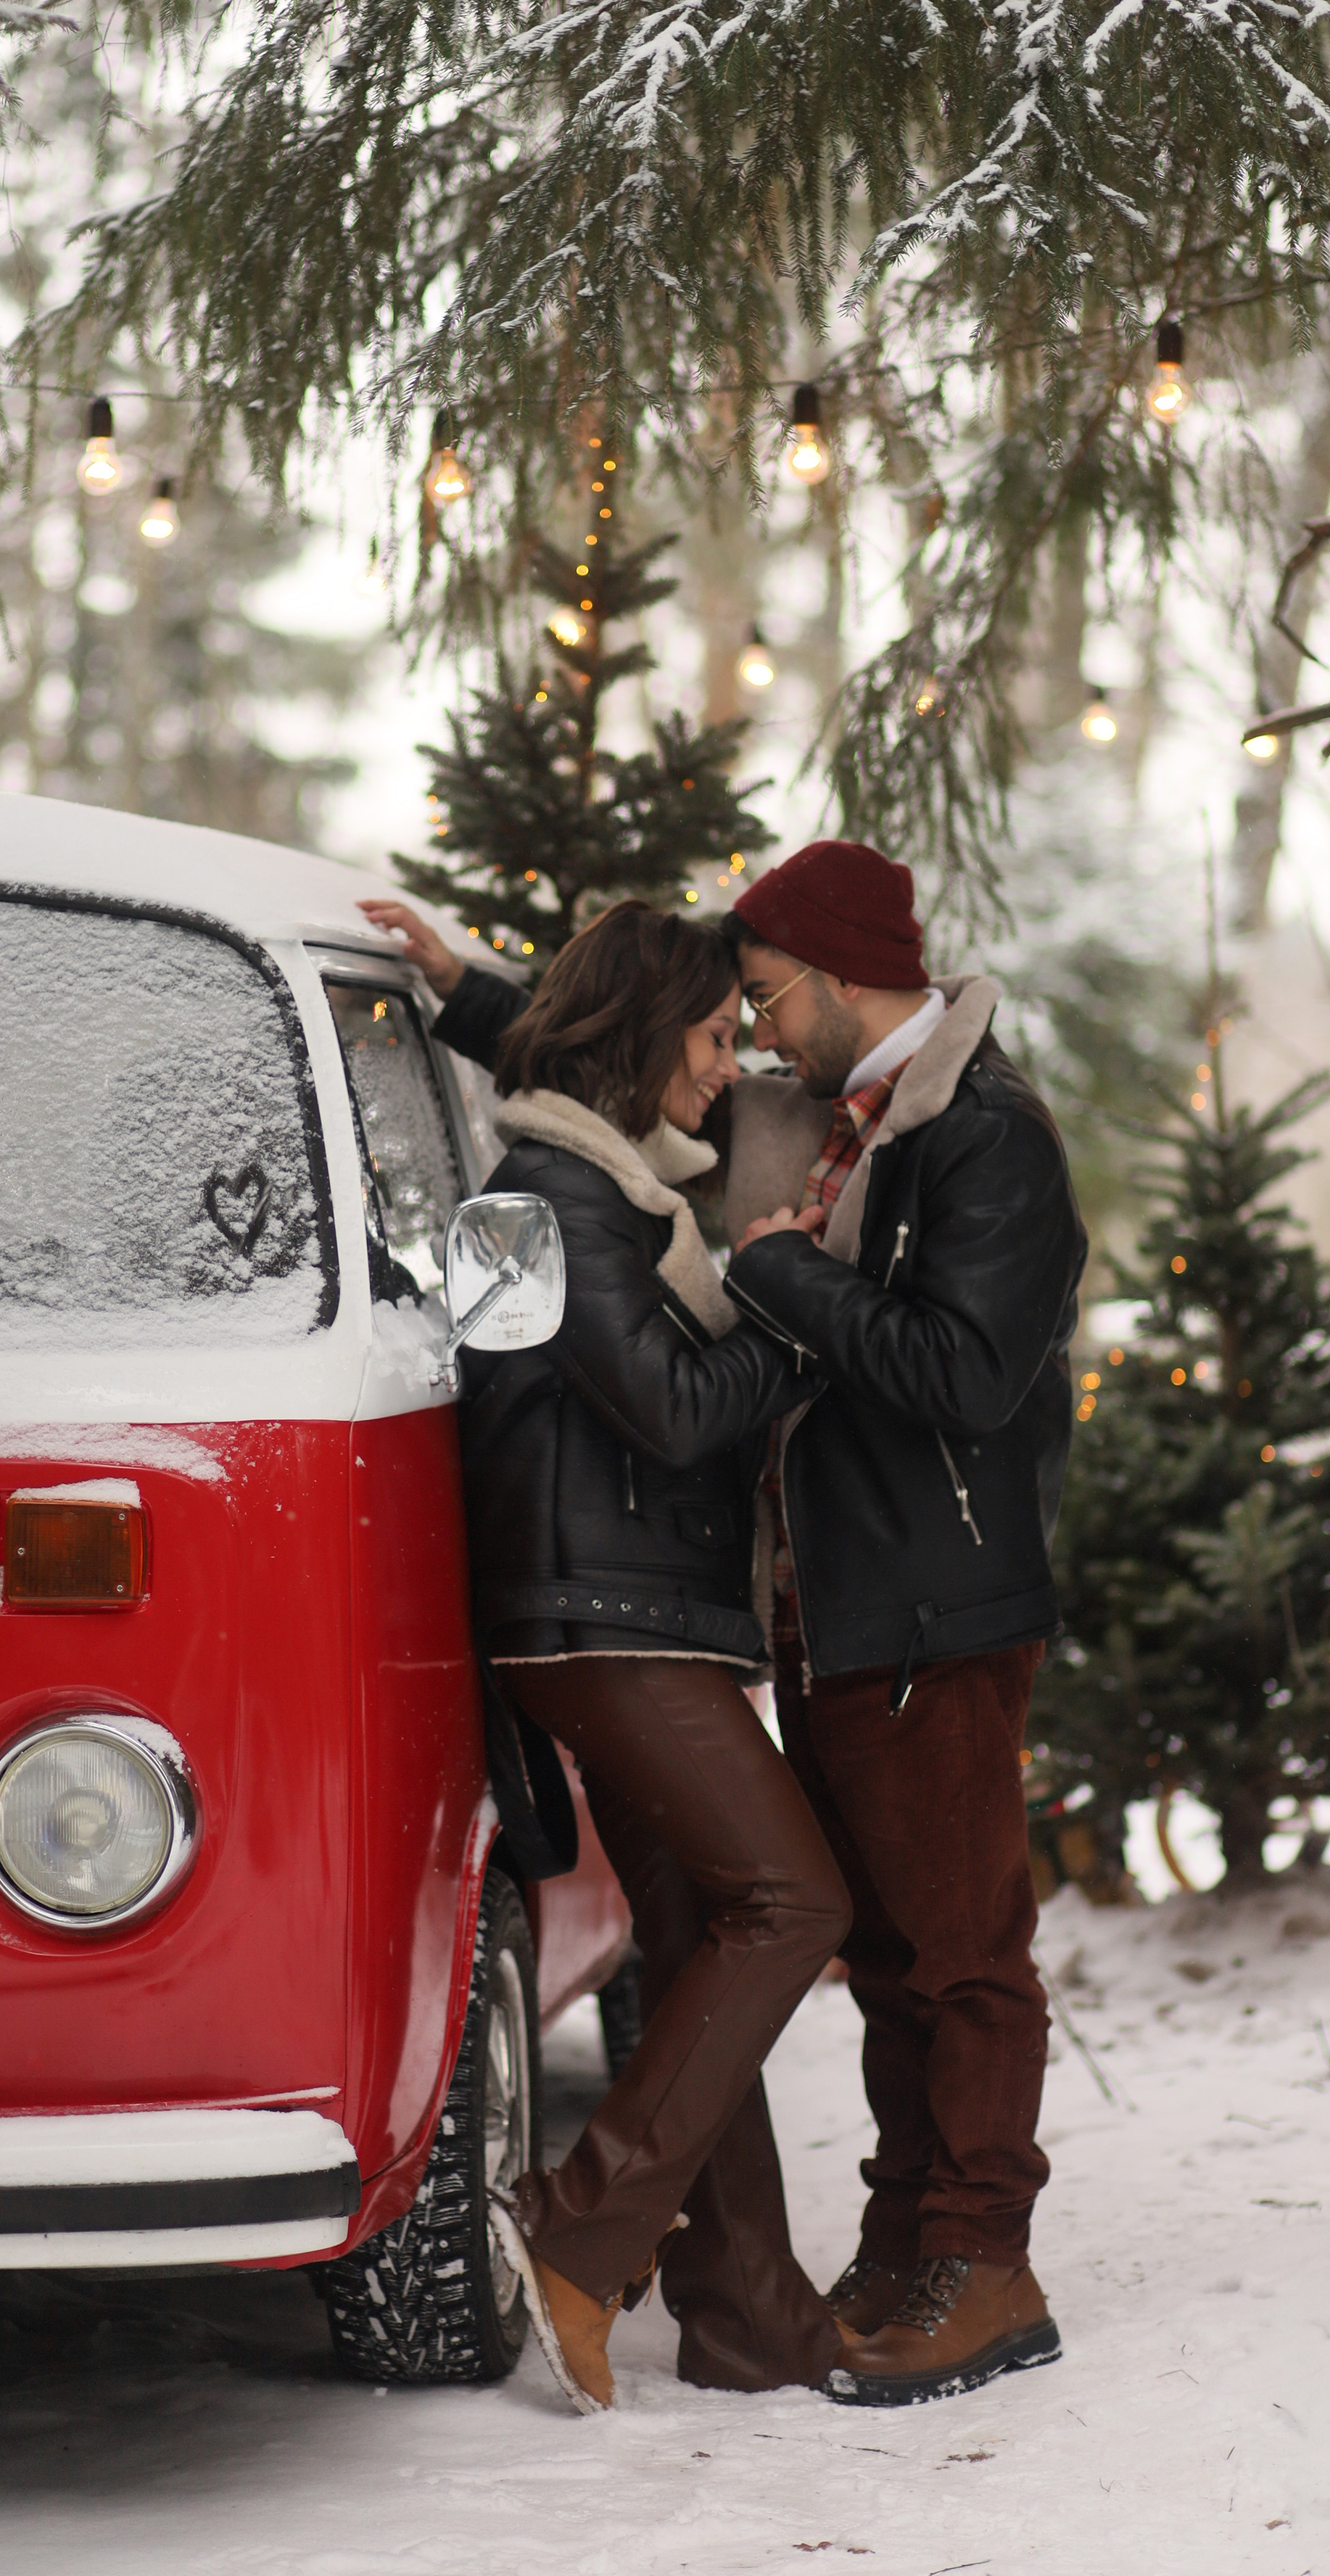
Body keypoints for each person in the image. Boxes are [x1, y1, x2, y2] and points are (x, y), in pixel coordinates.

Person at [362, 846, 1086, 2408]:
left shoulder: (981, 1136)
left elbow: (963, 1374)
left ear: (829, 978)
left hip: (934, 1600)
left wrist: (778, 1286)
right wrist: (468, 992)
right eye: (724, 1014)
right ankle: (857, 2265)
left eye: (758, 998)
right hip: (810, 1606)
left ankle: (975, 2260)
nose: (744, 1038)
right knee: (873, 1943)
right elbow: (595, 1090)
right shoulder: (792, 1119)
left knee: (941, 1950)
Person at [379, 897, 851, 2411]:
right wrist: (784, 1300)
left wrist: (469, 986)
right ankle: (580, 2224)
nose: (726, 1065)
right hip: (602, 1619)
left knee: (706, 1930)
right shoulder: (551, 1202)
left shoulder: (600, 1180)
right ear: (649, 1034)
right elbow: (672, 1408)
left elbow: (569, 1059)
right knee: (791, 1899)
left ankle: (747, 2315)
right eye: (711, 1038)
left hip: (621, 1608)